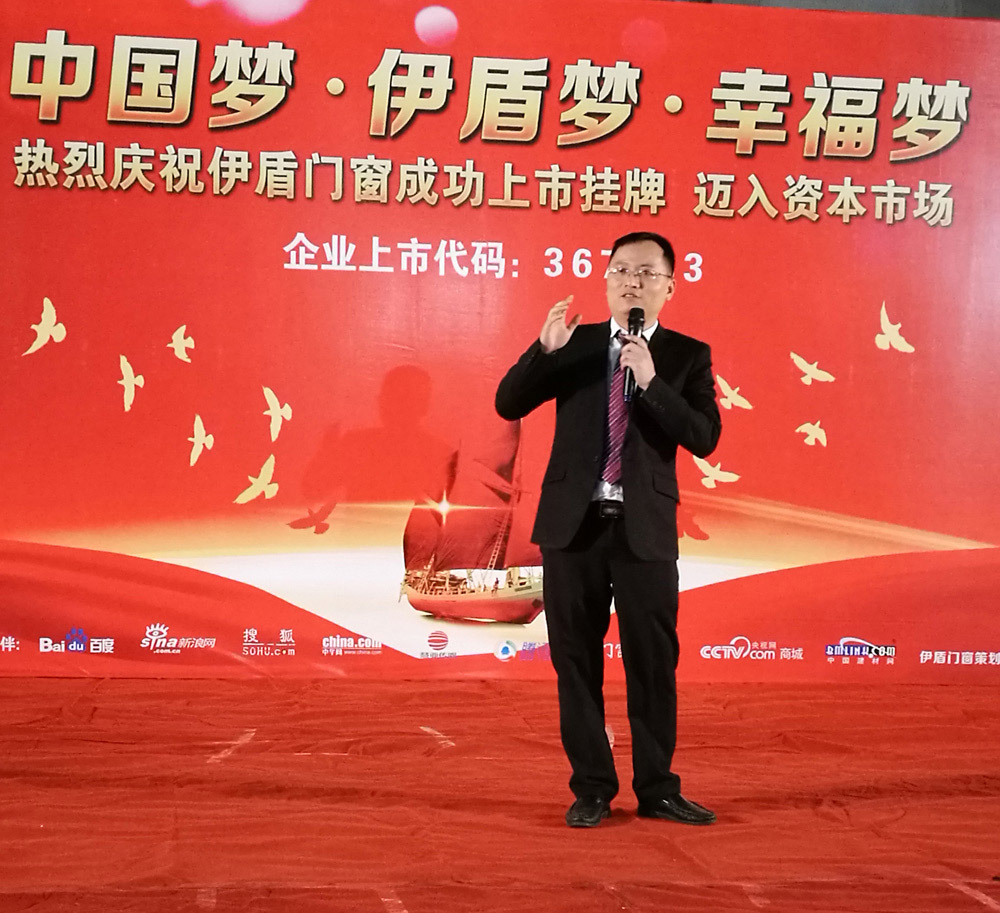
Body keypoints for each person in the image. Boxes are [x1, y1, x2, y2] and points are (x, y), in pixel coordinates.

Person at [495, 231, 721, 828]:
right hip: (574, 528)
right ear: (606, 280)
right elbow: (508, 404)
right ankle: (592, 787)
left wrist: (651, 382)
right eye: (621, 270)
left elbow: (704, 437)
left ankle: (658, 789)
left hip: (644, 530)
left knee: (653, 662)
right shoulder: (575, 342)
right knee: (575, 661)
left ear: (670, 286)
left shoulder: (686, 355)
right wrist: (543, 352)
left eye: (646, 273)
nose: (632, 282)